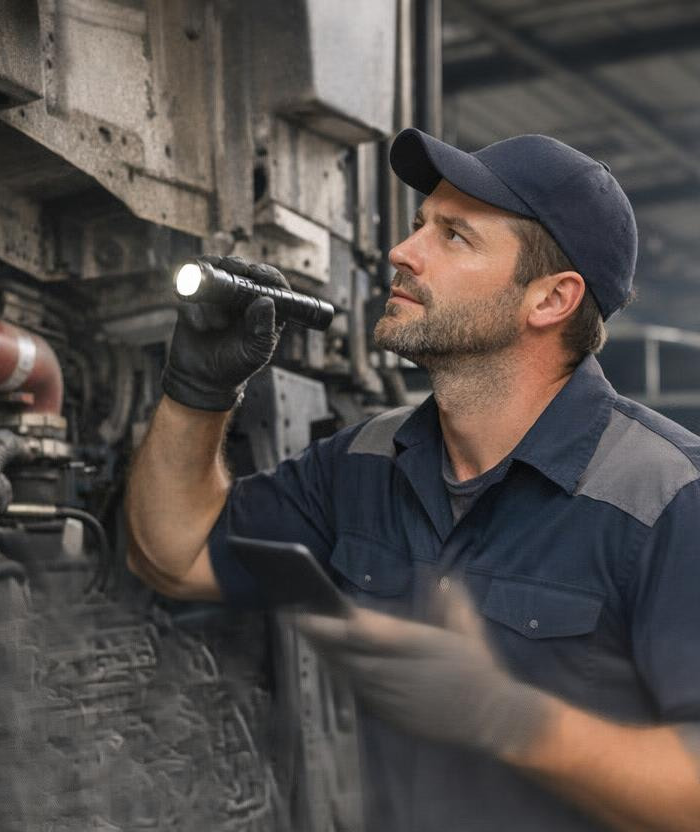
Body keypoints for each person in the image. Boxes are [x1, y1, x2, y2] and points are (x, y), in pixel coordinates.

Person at [124, 128, 700, 831]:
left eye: (454, 236)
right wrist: (198, 389)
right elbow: (173, 556)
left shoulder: (669, 498)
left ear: (550, 299)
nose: (403, 251)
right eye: (419, 223)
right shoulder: (365, 462)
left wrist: (507, 717)